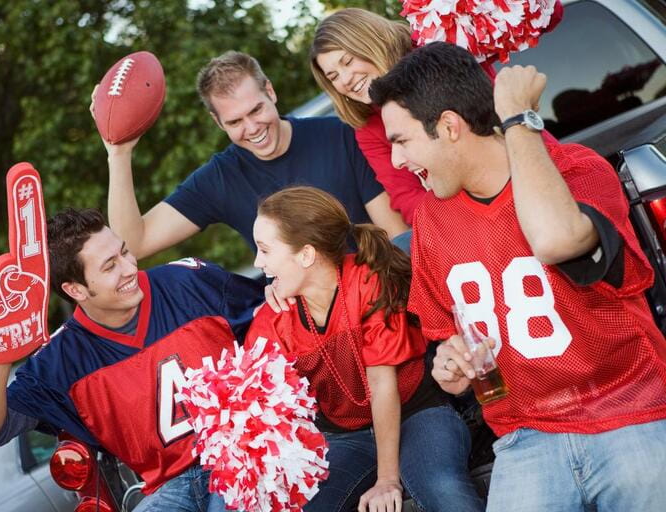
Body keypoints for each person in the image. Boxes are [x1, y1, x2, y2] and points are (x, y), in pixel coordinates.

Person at [371, 41, 666, 511]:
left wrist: (516, 118)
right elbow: (450, 341)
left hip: (629, 408)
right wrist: (450, 365)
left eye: (401, 141)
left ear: (449, 126)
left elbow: (555, 239)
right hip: (526, 434)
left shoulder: (577, 169)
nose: (398, 162)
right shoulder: (431, 220)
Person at [0, 208, 264, 512]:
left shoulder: (187, 283)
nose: (129, 268)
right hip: (169, 486)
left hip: (243, 457)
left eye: (124, 252)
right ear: (75, 289)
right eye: (110, 267)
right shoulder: (62, 358)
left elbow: (271, 314)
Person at [247, 186, 484, 512]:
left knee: (442, 487)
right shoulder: (273, 320)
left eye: (265, 250)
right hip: (345, 435)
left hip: (415, 410)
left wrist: (387, 479)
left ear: (305, 255)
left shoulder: (367, 279)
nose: (258, 262)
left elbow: (382, 385)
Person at [96, 50, 408, 261]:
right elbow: (133, 244)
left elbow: (396, 238)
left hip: (378, 302)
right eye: (234, 121)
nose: (252, 128)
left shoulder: (340, 135)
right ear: (217, 122)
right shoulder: (221, 178)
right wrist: (118, 153)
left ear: (270, 92)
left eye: (256, 109)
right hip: (309, 331)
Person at [309, 7, 562, 227]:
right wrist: (467, 222)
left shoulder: (437, 48)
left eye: (347, 61)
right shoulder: (367, 126)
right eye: (333, 77)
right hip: (476, 219)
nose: (345, 80)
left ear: (369, 43)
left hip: (536, 173)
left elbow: (549, 16)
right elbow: (406, 197)